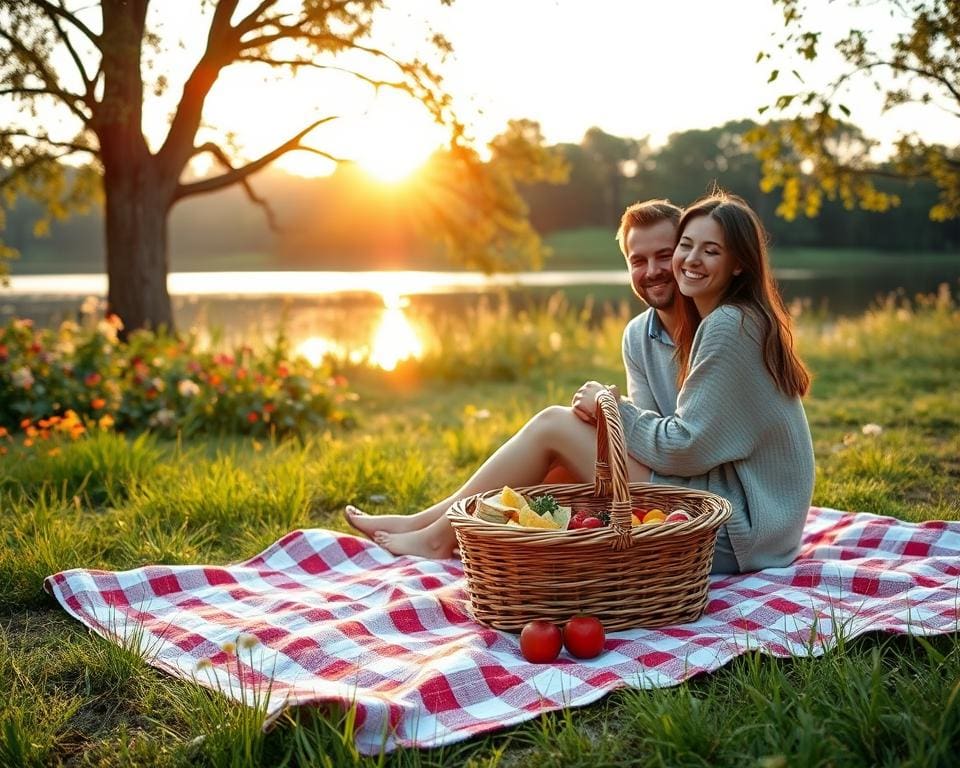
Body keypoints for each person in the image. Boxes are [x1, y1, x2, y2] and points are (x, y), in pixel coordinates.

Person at [347, 192, 815, 573]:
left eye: (671, 253)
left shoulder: (728, 325)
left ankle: (436, 536)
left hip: (742, 524)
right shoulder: (646, 334)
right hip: (702, 494)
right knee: (560, 458)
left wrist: (610, 407)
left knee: (555, 427)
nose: (662, 267)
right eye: (640, 259)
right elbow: (655, 437)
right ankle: (431, 522)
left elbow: (681, 447)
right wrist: (607, 421)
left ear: (737, 263)